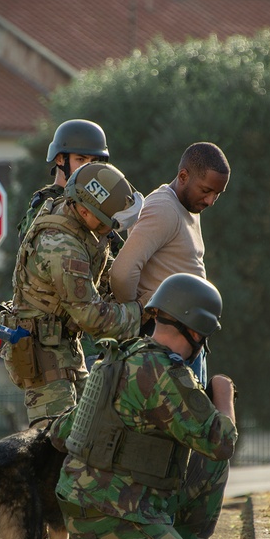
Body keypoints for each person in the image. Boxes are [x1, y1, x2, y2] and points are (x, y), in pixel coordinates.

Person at [44, 273, 245, 539]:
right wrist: (224, 393)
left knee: (205, 464)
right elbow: (222, 442)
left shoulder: (121, 358)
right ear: (197, 334)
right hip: (116, 514)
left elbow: (60, 433)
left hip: (84, 503)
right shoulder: (166, 373)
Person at [0, 161, 143, 430]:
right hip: (43, 357)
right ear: (85, 211)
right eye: (108, 221)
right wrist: (140, 313)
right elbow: (92, 317)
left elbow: (104, 274)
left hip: (64, 346)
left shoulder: (79, 224)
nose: (111, 230)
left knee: (93, 430)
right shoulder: (63, 247)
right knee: (55, 445)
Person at [109, 141, 230, 383]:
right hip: (169, 348)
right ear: (183, 176)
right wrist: (139, 316)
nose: (210, 201)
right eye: (206, 191)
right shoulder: (164, 208)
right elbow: (122, 273)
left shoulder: (186, 208)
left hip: (187, 344)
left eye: (217, 194)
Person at [16, 119, 111, 241]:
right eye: (81, 160)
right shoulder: (47, 204)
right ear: (60, 159)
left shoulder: (97, 203)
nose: (88, 167)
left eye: (94, 161)